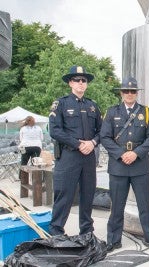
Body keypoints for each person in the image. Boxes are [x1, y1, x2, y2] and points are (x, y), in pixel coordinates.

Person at [100, 77, 149, 252]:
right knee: (117, 206)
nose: (130, 94)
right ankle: (113, 240)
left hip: (140, 165)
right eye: (126, 91)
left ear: (137, 93)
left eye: (133, 91)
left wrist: (136, 153)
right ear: (121, 93)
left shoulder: (147, 112)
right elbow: (104, 137)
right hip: (118, 166)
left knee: (145, 205)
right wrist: (122, 154)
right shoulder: (111, 112)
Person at [48, 65, 102, 236]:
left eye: (83, 80)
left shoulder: (93, 105)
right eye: (77, 80)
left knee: (88, 195)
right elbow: (55, 131)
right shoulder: (61, 104)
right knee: (64, 195)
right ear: (70, 83)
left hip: (88, 157)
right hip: (69, 156)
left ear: (86, 84)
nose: (80, 83)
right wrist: (78, 144)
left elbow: (103, 131)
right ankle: (56, 232)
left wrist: (93, 142)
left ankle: (86, 232)